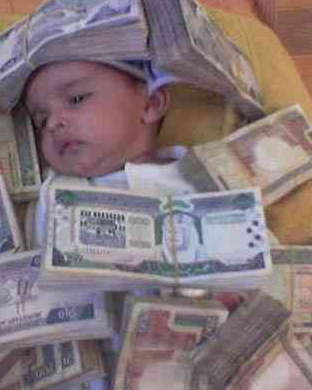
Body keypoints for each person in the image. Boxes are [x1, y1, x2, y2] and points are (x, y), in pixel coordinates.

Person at [21, 59, 207, 248]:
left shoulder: (203, 174)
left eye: (76, 99)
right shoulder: (52, 195)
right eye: (42, 120)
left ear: (150, 104)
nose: (52, 123)